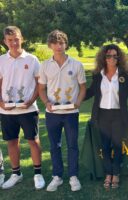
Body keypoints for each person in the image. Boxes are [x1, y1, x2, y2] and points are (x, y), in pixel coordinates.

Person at [38, 30, 86, 192]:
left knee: (72, 145)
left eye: (62, 42)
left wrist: (78, 102)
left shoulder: (76, 64)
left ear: (66, 44)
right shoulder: (44, 65)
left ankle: (73, 176)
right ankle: (57, 176)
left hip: (71, 113)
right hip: (52, 114)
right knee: (54, 146)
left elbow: (83, 88)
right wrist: (46, 102)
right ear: (50, 45)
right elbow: (41, 89)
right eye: (55, 42)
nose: (59, 46)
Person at [0, 26, 45, 190]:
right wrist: (1, 103)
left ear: (22, 38)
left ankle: (38, 173)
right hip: (7, 111)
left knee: (33, 141)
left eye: (16, 39)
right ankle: (16, 174)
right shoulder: (1, 60)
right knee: (11, 142)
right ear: (5, 41)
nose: (13, 43)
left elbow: (39, 85)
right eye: (9, 40)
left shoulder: (32, 59)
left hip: (28, 109)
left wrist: (31, 100)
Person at [85, 44, 128, 189]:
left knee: (117, 146)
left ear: (119, 58)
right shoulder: (98, 75)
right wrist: (75, 96)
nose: (111, 58)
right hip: (102, 115)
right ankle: (108, 174)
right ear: (103, 57)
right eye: (108, 55)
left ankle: (116, 173)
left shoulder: (124, 75)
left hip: (118, 115)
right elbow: (91, 91)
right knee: (104, 146)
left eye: (114, 56)